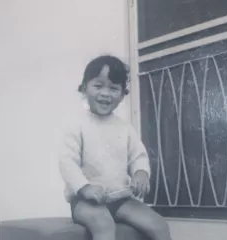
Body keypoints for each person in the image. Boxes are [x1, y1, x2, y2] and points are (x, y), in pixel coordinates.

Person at [59, 55, 172, 240]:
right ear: (84, 88)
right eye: (98, 85)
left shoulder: (124, 128)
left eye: (113, 88)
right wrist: (84, 187)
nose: (105, 93)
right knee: (104, 225)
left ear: (122, 95)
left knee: (158, 224)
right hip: (86, 202)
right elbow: (67, 162)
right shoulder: (77, 126)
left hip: (120, 199)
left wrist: (141, 173)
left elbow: (138, 156)